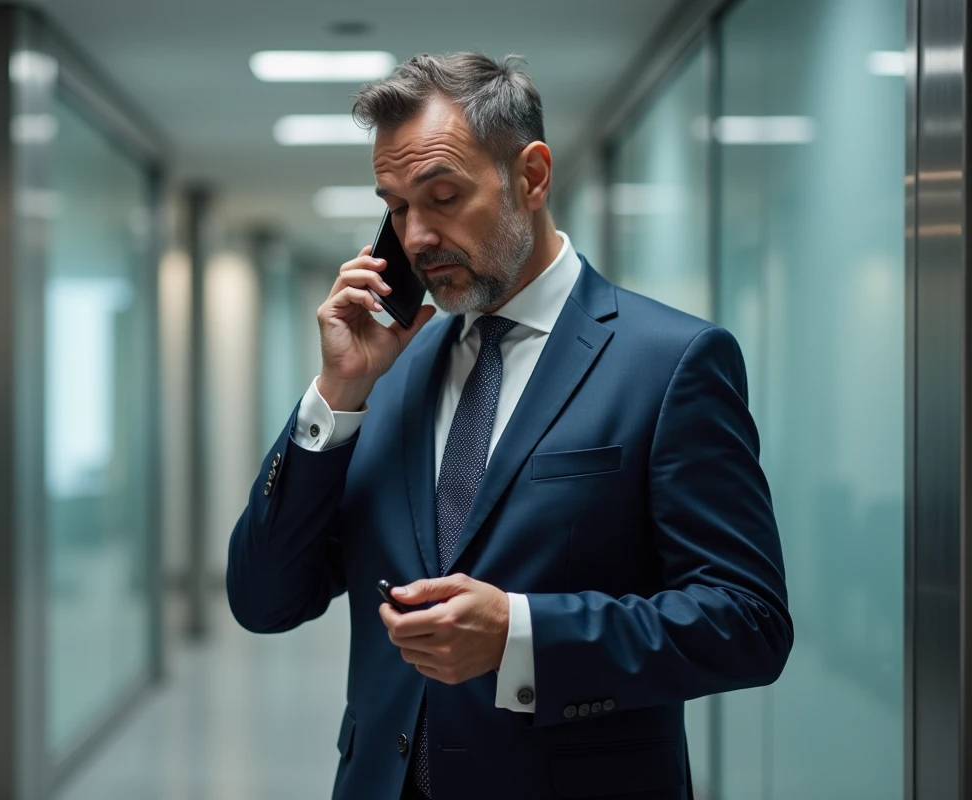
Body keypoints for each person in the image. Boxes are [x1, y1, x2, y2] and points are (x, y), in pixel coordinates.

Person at [227, 52, 792, 800]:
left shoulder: (672, 362)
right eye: (396, 206)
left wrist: (521, 637)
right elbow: (265, 600)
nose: (417, 236)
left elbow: (747, 621)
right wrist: (337, 393)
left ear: (531, 175)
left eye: (444, 195)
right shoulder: (389, 371)